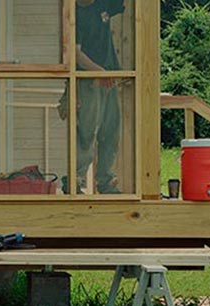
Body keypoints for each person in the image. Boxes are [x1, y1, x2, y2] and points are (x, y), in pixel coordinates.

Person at [61, 0, 126, 194]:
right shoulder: (76, 15)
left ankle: (105, 182)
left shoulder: (102, 4)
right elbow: (76, 53)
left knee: (111, 132)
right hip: (88, 79)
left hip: (108, 79)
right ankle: (74, 181)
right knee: (86, 132)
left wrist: (107, 74)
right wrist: (99, 72)